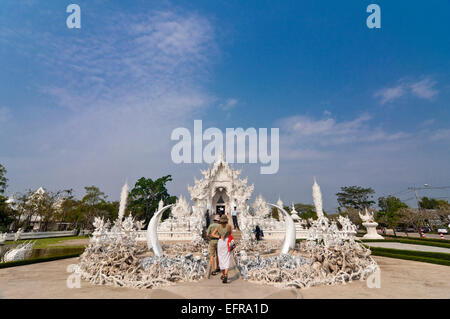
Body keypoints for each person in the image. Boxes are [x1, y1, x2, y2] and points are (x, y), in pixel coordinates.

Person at [211, 214, 232, 283]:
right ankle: (226, 274)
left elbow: (212, 234)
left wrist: (219, 236)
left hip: (220, 242)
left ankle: (223, 274)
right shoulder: (229, 226)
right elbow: (230, 234)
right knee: (227, 258)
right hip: (227, 242)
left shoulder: (218, 227)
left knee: (221, 258)